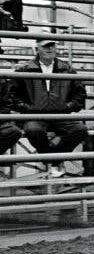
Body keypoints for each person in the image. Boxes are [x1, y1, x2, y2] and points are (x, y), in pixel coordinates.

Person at [12, 38, 88, 177]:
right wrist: (27, 108)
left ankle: (53, 159)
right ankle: (54, 160)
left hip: (60, 114)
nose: (50, 49)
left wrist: (68, 106)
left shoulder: (67, 69)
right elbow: (12, 95)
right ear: (37, 49)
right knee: (32, 130)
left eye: (52, 45)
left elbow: (80, 93)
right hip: (35, 115)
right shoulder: (24, 69)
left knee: (80, 130)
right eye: (45, 46)